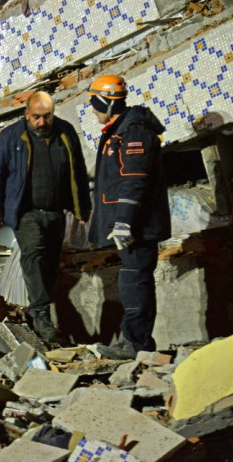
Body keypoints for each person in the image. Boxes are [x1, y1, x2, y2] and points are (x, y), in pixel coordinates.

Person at [0, 91, 91, 342]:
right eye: (36, 118)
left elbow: (78, 170)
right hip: (26, 212)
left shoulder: (65, 133)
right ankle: (42, 316)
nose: (42, 123)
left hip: (55, 212)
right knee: (34, 255)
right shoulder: (11, 136)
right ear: (26, 115)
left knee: (50, 264)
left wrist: (82, 207)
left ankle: (34, 313)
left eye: (47, 117)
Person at [87, 74, 171, 359]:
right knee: (131, 281)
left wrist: (124, 221)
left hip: (138, 226)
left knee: (135, 282)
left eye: (94, 103)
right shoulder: (120, 129)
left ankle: (136, 345)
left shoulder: (133, 131)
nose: (93, 110)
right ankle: (133, 342)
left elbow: (134, 178)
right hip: (131, 224)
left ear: (105, 101)